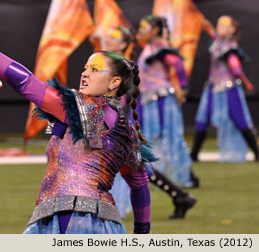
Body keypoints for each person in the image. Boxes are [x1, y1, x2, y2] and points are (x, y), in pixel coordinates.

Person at [0, 29, 158, 234]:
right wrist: (141, 232)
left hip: (72, 220)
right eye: (85, 68)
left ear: (115, 82)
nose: (85, 73)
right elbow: (139, 184)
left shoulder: (82, 108)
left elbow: (27, 83)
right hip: (101, 224)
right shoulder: (127, 130)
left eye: (95, 69)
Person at [100, 26, 197, 219]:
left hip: (116, 123)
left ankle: (179, 196)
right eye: (108, 36)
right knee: (136, 165)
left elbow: (118, 98)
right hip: (112, 122)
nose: (109, 39)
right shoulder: (111, 64)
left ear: (124, 44)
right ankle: (180, 196)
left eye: (115, 37)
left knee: (134, 165)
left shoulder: (122, 67)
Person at [133, 15, 199, 207]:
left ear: (154, 30)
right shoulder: (150, 48)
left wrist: (184, 88)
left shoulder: (160, 47)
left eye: (144, 27)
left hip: (160, 99)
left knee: (167, 137)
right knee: (151, 138)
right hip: (149, 99)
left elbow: (177, 64)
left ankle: (184, 175)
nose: (141, 30)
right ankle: (164, 175)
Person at [190, 15, 258, 162]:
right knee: (202, 119)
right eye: (218, 24)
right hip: (212, 88)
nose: (219, 27)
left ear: (232, 29)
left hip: (228, 88)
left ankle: (257, 153)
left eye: (223, 25)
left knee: (240, 120)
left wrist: (245, 81)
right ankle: (194, 154)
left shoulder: (230, 47)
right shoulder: (218, 43)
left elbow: (236, 67)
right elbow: (213, 33)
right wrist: (206, 25)